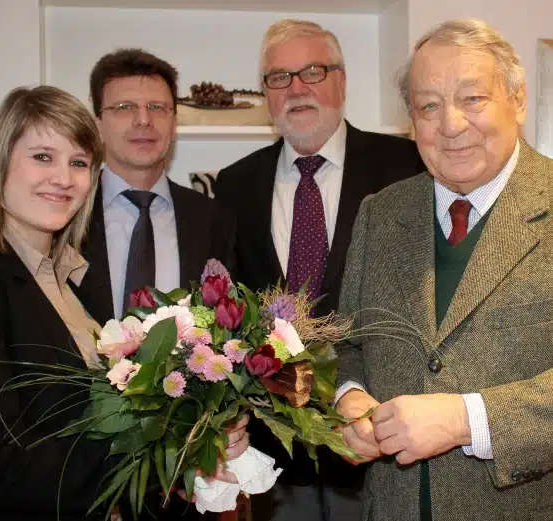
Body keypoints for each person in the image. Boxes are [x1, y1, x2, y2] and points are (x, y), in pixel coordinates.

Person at [0, 85, 247, 521]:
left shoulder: (69, 279)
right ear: (1, 160)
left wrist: (194, 433)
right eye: (42, 156)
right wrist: (172, 457)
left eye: (78, 162)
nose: (63, 178)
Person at [336, 19, 553, 521]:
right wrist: (348, 398)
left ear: (517, 101)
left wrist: (468, 420)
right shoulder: (381, 214)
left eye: (472, 98)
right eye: (428, 106)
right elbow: (347, 346)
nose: (450, 124)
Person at [213, 19, 425, 521]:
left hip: (382, 438)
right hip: (277, 448)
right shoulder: (235, 183)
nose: (297, 89)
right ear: (266, 93)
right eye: (279, 78)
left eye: (313, 71)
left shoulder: (408, 164)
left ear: (342, 81)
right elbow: (230, 309)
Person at [75, 48, 233, 327]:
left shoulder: (212, 219)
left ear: (174, 124)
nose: (144, 120)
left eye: (157, 108)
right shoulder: (68, 212)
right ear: (97, 124)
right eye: (124, 108)